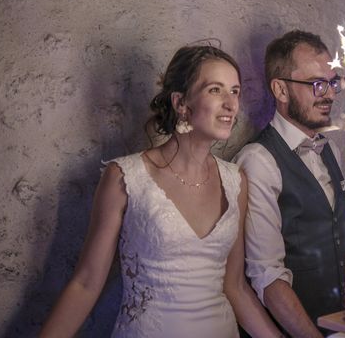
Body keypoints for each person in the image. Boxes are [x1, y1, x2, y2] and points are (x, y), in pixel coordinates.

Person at [40, 45, 282, 338]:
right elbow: (86, 283)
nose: (231, 104)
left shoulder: (236, 182)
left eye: (235, 91)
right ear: (181, 103)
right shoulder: (125, 178)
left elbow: (235, 287)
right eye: (215, 90)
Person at [234, 31, 345, 338]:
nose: (329, 94)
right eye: (317, 84)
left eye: (332, 82)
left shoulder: (331, 151)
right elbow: (266, 275)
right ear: (281, 90)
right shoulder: (258, 160)